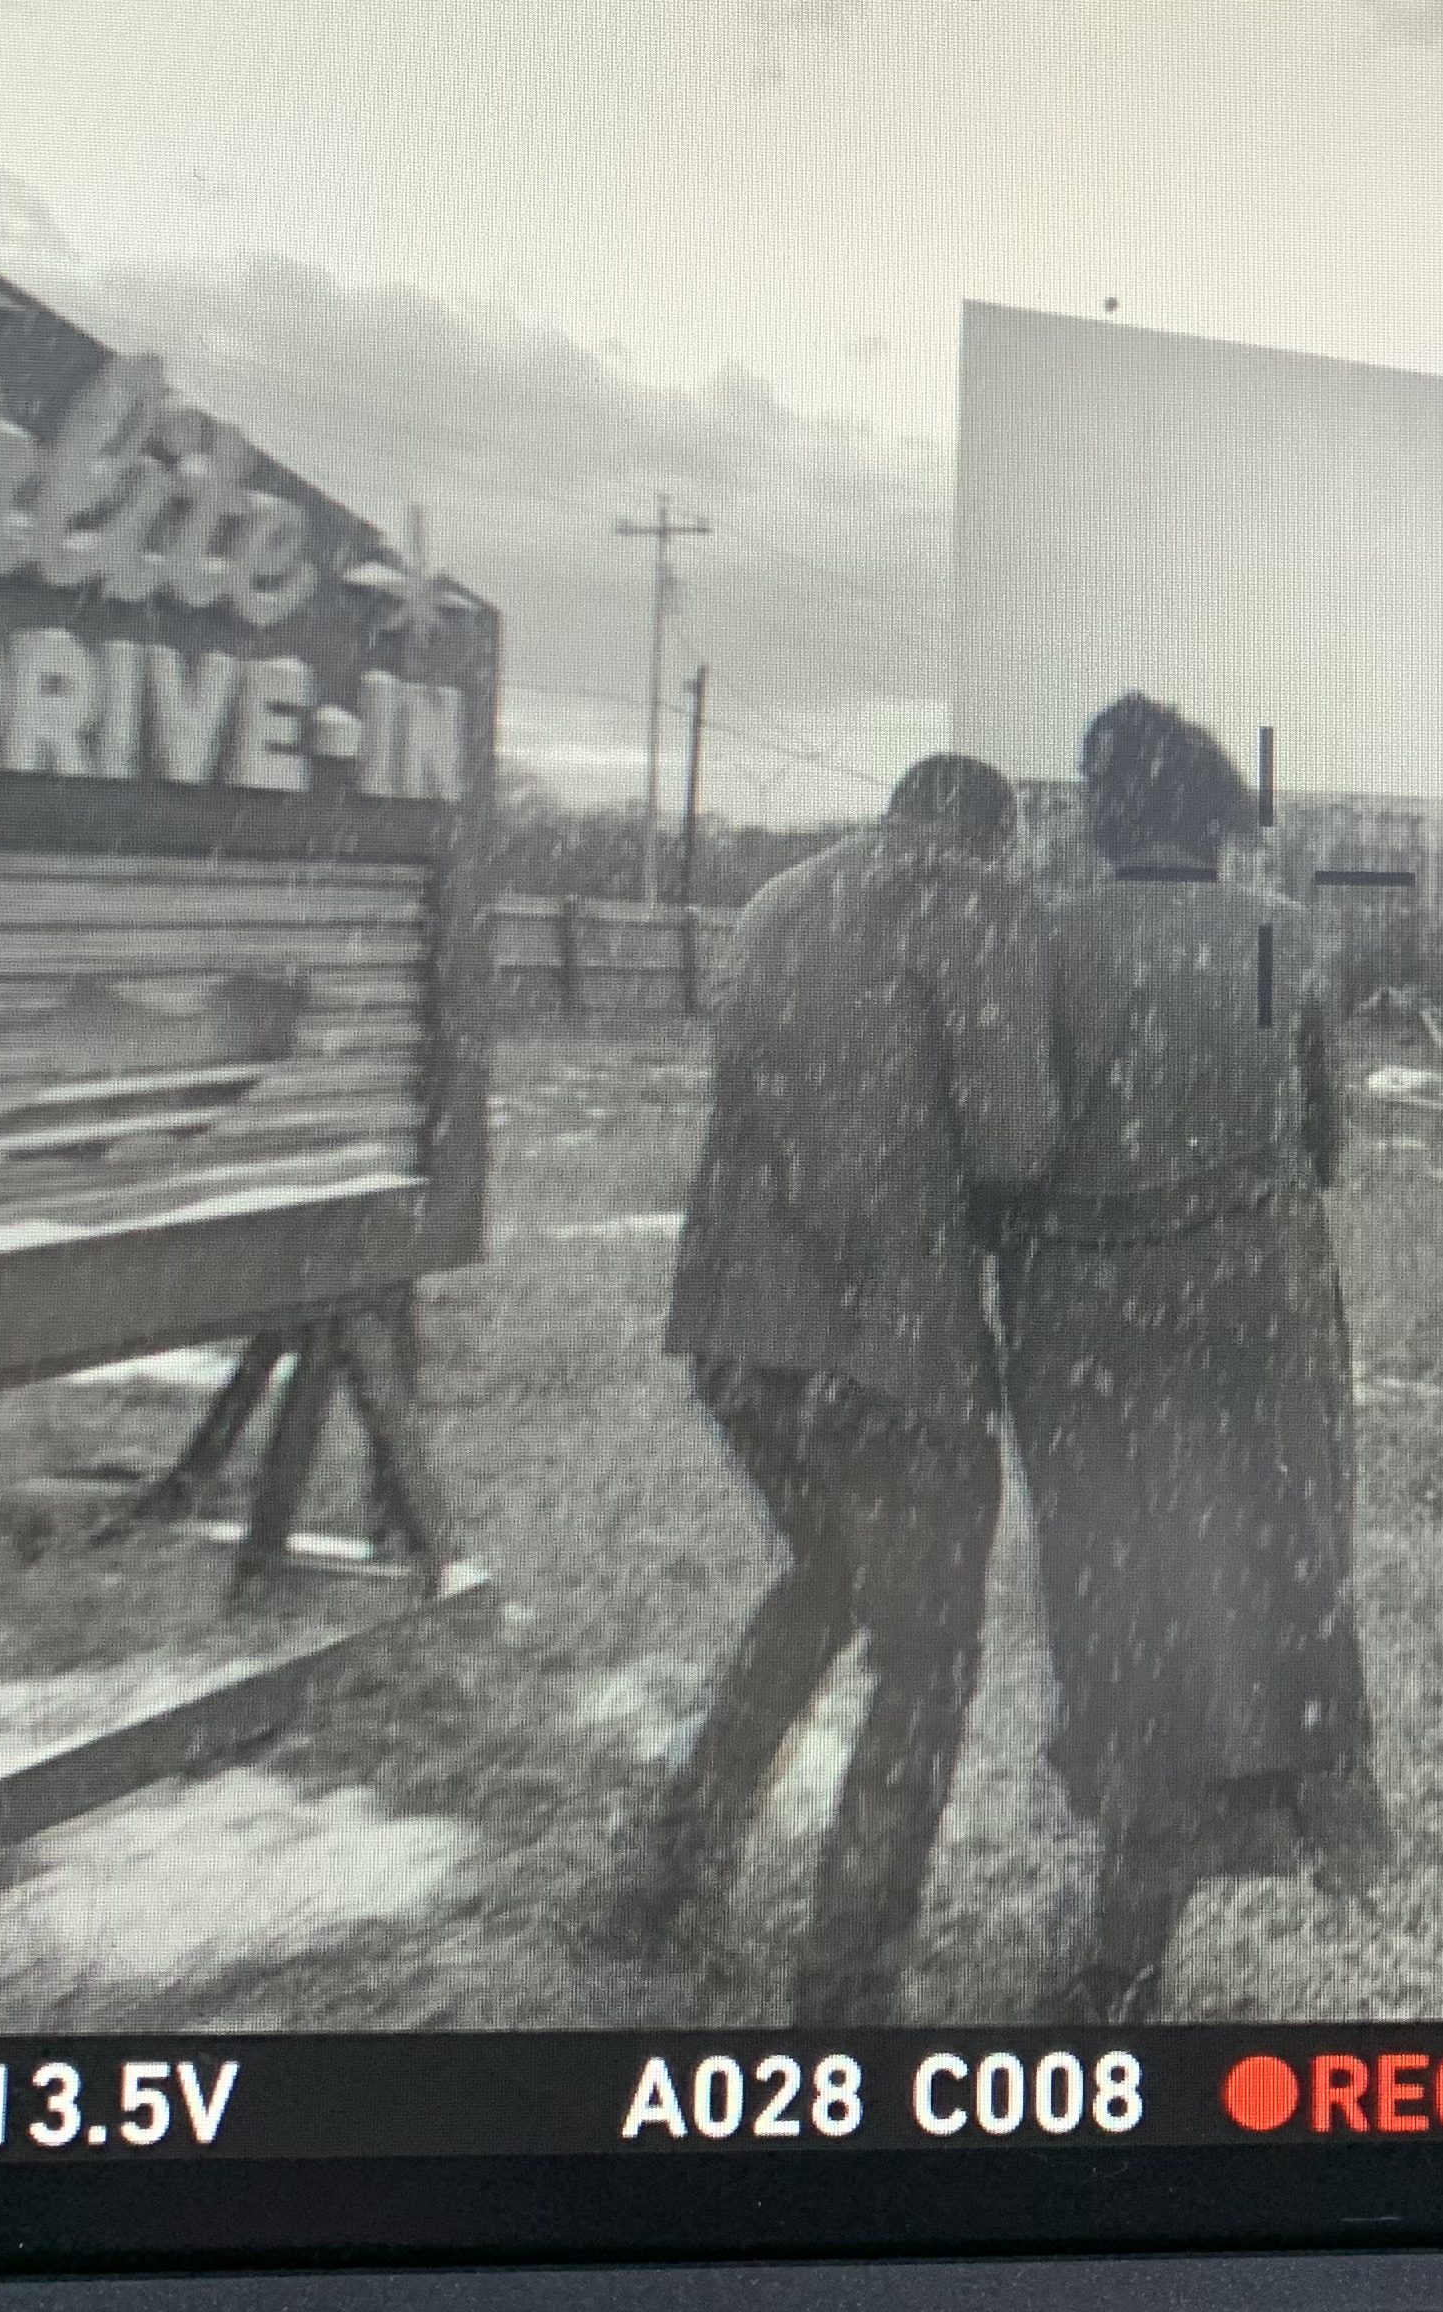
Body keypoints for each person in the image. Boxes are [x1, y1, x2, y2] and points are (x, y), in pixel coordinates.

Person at [606, 752, 1058, 2022]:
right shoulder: (973, 901)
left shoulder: (777, 900)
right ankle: (846, 1989)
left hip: (735, 1343)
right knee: (927, 1657)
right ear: (991, 834)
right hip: (887, 1356)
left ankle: (669, 1872)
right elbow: (1015, 1143)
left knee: (823, 1585)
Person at [1001, 692, 1391, 2024]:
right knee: (1254, 1599)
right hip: (1258, 1324)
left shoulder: (1046, 944)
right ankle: (1151, 1903)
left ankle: (1127, 1918)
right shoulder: (1280, 938)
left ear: (1105, 811)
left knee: (1125, 1609)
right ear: (1211, 815)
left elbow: (1012, 1151)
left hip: (1094, 1332)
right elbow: (1325, 1145)